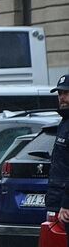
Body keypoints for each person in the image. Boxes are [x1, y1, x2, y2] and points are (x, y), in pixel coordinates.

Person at [46, 74, 69, 224]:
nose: (62, 98)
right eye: (60, 93)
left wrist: (67, 204)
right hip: (59, 201)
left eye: (66, 93)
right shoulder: (64, 122)